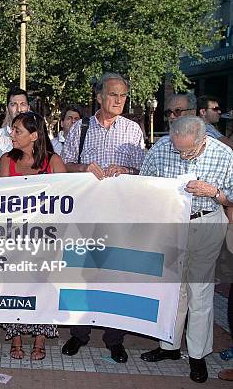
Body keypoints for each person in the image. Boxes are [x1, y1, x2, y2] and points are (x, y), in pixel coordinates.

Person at [139, 116, 232, 383]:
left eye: (188, 150)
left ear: (203, 140)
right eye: (177, 149)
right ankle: (168, 346)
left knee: (199, 290)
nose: (182, 155)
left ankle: (197, 356)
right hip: (171, 225)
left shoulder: (223, 154)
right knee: (171, 288)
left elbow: (232, 195)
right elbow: (145, 184)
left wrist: (214, 192)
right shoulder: (161, 147)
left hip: (206, 221)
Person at [61, 73, 145, 364]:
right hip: (87, 212)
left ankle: (114, 338)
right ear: (99, 97)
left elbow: (143, 171)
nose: (119, 100)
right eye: (113, 95)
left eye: (123, 95)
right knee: (82, 273)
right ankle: (79, 333)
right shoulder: (81, 128)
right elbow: (64, 166)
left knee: (116, 276)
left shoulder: (133, 130)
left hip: (121, 214)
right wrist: (84, 167)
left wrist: (127, 171)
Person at [0, 111, 65, 360]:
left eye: (18, 131)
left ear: (34, 136)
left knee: (43, 288)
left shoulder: (54, 162)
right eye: (12, 129)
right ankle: (15, 340)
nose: (12, 134)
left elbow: (65, 201)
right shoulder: (7, 160)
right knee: (13, 287)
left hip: (45, 238)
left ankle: (40, 340)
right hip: (14, 237)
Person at [0, 87, 31, 162]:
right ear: (7, 108)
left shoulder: (37, 136)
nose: (19, 110)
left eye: (23, 104)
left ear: (28, 108)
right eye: (14, 105)